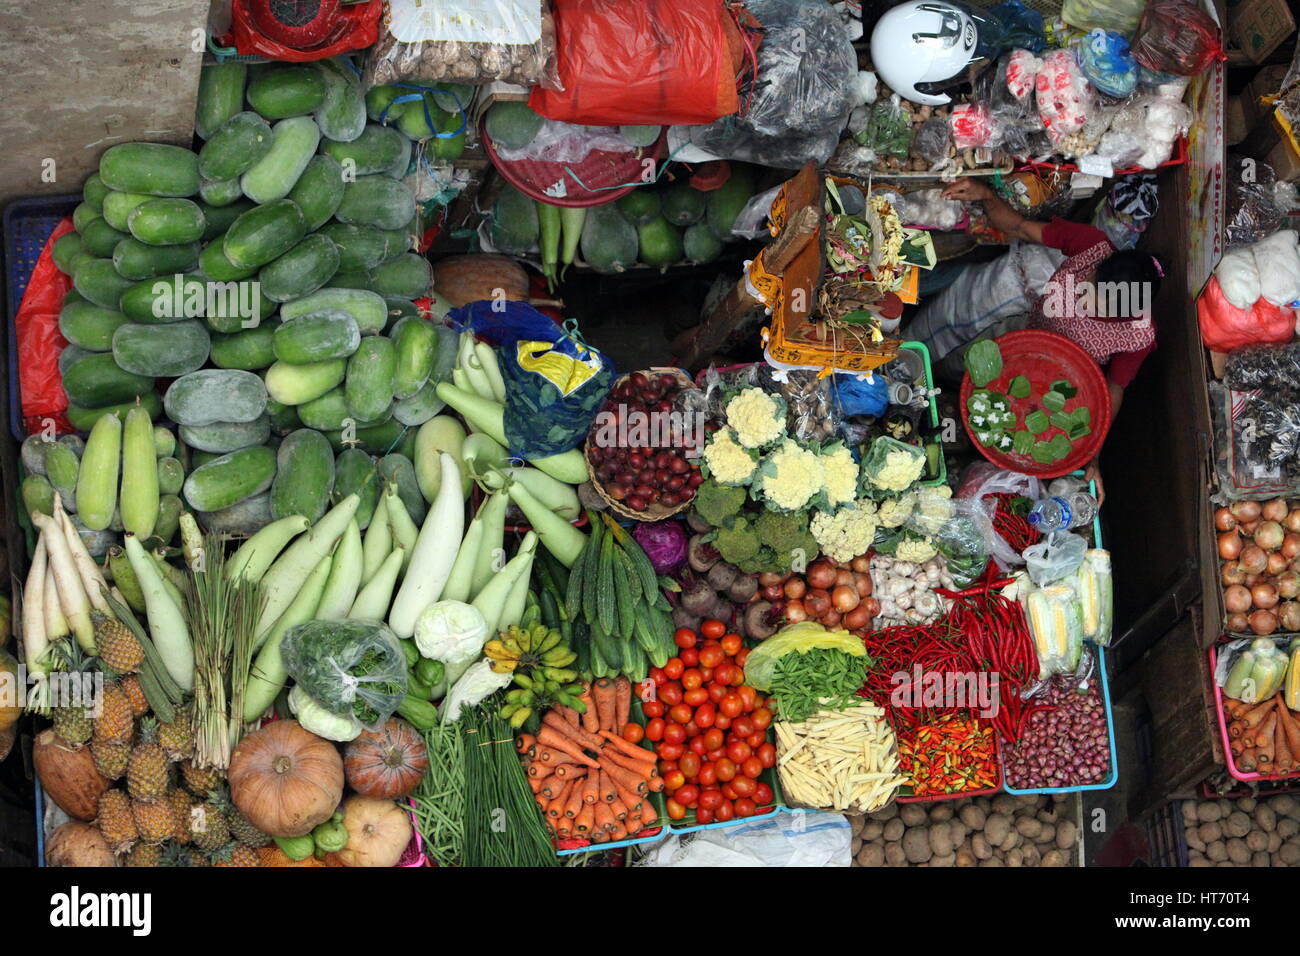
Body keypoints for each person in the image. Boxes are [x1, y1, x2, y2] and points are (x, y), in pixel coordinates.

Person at [906, 177, 1164, 504]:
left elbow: (1114, 389)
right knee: (957, 365)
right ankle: (927, 393)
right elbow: (1018, 226)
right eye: (1089, 286)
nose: (1085, 300)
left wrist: (1093, 454)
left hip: (1053, 390)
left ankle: (962, 449)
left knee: (1001, 431)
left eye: (1098, 305)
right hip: (1017, 337)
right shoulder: (1092, 247)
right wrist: (985, 193)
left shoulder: (1138, 333)